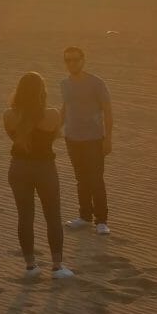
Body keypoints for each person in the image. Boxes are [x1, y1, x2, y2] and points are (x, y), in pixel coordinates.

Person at [3, 71, 73, 279]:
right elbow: (55, 135)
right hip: (44, 168)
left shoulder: (9, 115)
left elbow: (13, 138)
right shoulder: (51, 114)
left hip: (18, 168)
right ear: (42, 92)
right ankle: (57, 265)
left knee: (25, 217)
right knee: (52, 215)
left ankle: (31, 265)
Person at [60, 45, 113, 235]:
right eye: (68, 60)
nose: (72, 63)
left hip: (93, 139)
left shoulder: (96, 83)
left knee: (96, 179)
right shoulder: (64, 83)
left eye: (75, 59)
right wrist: (56, 128)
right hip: (72, 138)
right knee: (81, 179)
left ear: (83, 60)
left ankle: (101, 220)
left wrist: (108, 138)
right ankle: (84, 216)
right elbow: (66, 107)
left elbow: (107, 110)